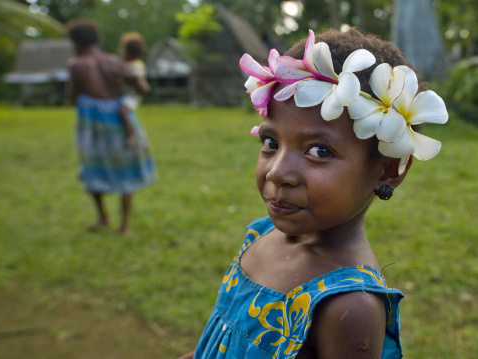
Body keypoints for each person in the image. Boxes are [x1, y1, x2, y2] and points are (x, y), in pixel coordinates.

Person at [179, 28, 448, 358]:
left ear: (389, 170)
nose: (277, 172)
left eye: (319, 151)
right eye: (271, 143)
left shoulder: (349, 307)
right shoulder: (259, 233)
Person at [66, 19, 156, 234]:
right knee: (126, 166)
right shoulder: (114, 61)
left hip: (93, 124)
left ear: (76, 42)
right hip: (120, 121)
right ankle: (124, 224)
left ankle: (103, 217)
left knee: (92, 166)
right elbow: (143, 87)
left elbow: (71, 96)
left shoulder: (76, 64)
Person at [118, 31, 148, 149]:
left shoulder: (137, 65)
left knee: (123, 110)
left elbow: (136, 79)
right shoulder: (123, 63)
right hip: (123, 94)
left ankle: (131, 134)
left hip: (131, 96)